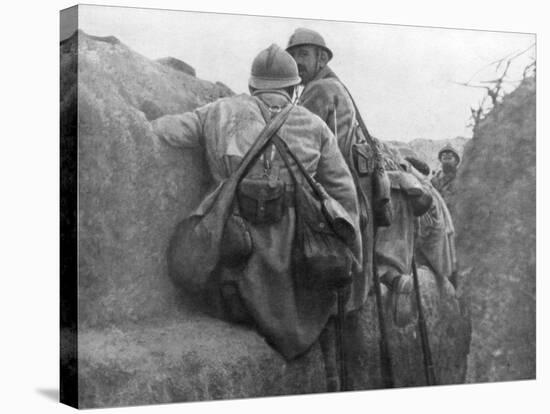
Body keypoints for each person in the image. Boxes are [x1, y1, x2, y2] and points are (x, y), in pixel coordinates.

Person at [151, 44, 361, 368]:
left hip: (235, 255)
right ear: (293, 89)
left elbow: (165, 131)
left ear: (251, 87)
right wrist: (353, 256)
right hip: (297, 269)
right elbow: (344, 195)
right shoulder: (314, 126)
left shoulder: (218, 110)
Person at [431, 144, 460, 209]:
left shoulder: (460, 178)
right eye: (444, 157)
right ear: (440, 160)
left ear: (456, 161)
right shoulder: (433, 180)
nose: (447, 159)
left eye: (450, 157)